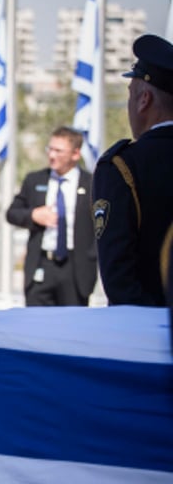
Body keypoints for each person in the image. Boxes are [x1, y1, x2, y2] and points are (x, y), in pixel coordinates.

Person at [94, 33, 173, 306]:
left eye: (131, 95)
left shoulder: (122, 165)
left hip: (149, 335)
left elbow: (119, 281)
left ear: (144, 100)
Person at [5, 126, 97, 306]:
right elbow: (12, 213)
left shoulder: (92, 183)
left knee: (71, 327)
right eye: (50, 149)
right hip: (42, 264)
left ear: (75, 154)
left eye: (59, 151)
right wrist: (33, 215)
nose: (52, 155)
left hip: (75, 269)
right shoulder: (35, 180)